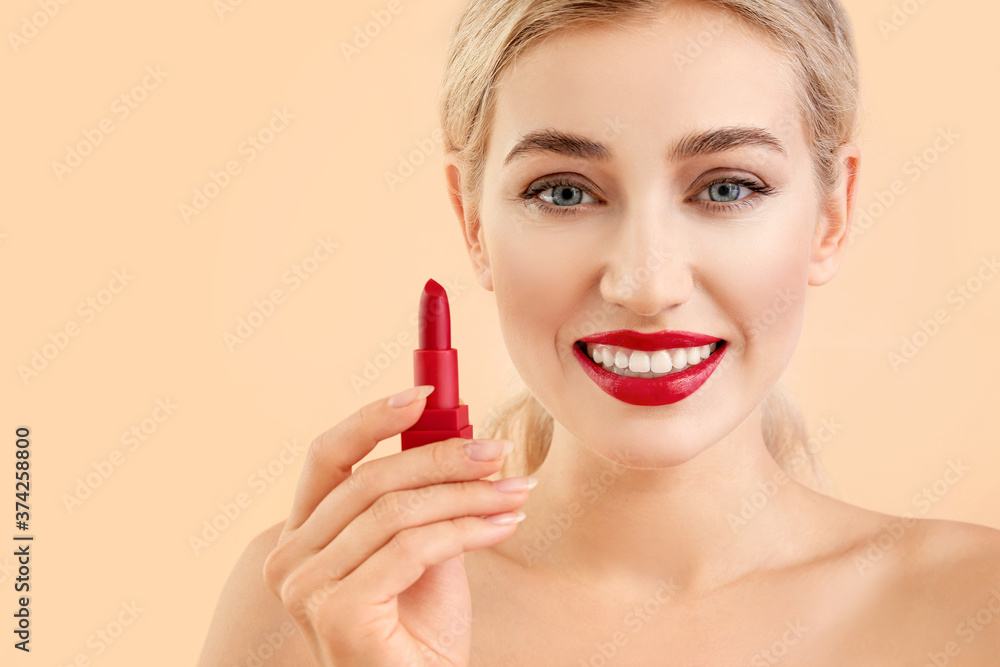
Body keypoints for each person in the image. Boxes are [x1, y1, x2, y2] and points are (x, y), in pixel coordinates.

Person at [197, 1, 1000, 664]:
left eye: (725, 185)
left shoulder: (979, 608)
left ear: (832, 212)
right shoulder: (319, 604)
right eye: (564, 193)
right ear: (472, 220)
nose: (646, 284)